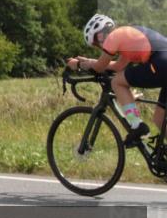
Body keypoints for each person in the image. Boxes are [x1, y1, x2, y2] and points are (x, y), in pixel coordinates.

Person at [68, 14, 167, 144]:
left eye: (96, 42)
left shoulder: (114, 37)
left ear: (101, 34)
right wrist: (90, 61)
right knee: (159, 118)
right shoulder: (127, 35)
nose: (99, 46)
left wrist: (78, 65)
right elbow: (118, 66)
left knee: (117, 82)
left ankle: (137, 125)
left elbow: (99, 67)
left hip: (161, 63)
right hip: (162, 62)